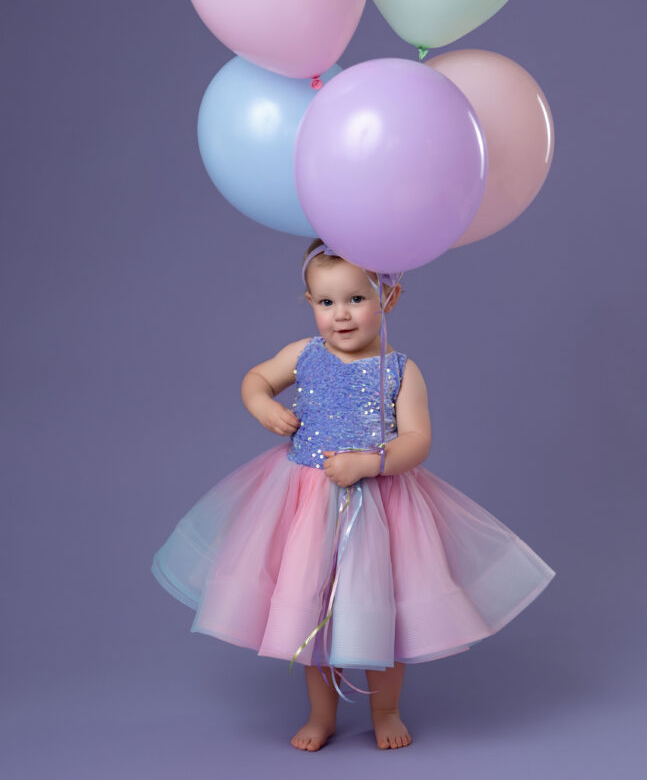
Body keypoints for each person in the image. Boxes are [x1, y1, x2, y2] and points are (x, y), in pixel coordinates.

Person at [152, 239, 555, 751]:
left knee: (378, 609)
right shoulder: (303, 354)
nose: (340, 315)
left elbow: (418, 440)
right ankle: (321, 716)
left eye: (356, 300)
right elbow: (256, 378)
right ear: (309, 304)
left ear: (389, 298)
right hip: (304, 506)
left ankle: (385, 709)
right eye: (325, 303)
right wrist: (261, 405)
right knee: (312, 612)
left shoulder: (401, 371)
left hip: (382, 509)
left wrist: (372, 462)